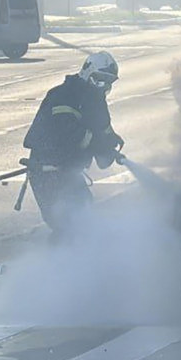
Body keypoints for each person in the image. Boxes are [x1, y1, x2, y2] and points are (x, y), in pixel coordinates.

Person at [23, 51, 125, 239]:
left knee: (84, 218)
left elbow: (103, 130)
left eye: (108, 82)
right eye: (99, 80)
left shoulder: (96, 100)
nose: (103, 86)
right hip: (47, 172)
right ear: (87, 72)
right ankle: (57, 265)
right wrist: (98, 144)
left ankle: (77, 263)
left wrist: (112, 143)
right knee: (66, 225)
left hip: (68, 172)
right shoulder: (63, 96)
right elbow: (70, 135)